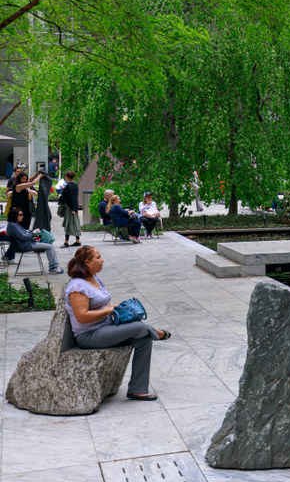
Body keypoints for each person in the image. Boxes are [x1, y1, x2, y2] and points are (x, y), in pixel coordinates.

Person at [66, 246, 169, 400]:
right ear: (87, 262)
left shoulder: (95, 279)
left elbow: (104, 303)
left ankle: (137, 390)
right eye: (98, 257)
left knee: (144, 339)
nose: (102, 260)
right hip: (89, 335)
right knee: (140, 327)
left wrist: (117, 311)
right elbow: (82, 317)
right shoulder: (78, 286)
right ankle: (153, 331)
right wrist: (110, 310)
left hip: (107, 326)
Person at [3, 207, 64, 273]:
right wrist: (33, 233)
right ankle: (54, 267)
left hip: (27, 243)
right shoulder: (13, 226)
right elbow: (24, 236)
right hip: (25, 245)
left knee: (49, 245)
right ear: (15, 216)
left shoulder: (14, 224)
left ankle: (53, 266)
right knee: (50, 246)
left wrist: (34, 232)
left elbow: (25, 232)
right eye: (20, 215)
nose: (22, 216)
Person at [60, 171, 82, 248]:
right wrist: (75, 208)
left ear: (66, 177)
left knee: (68, 224)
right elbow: (75, 198)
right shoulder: (75, 185)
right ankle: (77, 240)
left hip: (70, 207)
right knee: (75, 223)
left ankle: (66, 242)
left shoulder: (68, 186)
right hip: (74, 207)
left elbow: (67, 198)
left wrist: (72, 208)